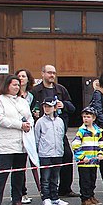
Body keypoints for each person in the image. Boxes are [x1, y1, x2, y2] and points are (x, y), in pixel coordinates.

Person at [29, 64, 77, 197]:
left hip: (59, 131)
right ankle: (46, 191)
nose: (52, 75)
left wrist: (64, 105)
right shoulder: (35, 91)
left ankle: (65, 189)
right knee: (45, 162)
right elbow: (29, 108)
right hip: (43, 132)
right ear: (42, 73)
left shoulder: (61, 90)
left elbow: (73, 108)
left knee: (67, 156)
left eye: (54, 73)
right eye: (49, 73)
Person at [0, 75, 32, 205]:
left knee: (19, 173)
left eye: (18, 85)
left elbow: (29, 116)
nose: (17, 87)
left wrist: (29, 125)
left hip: (21, 143)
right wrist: (19, 125)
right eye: (14, 84)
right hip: (6, 143)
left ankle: (17, 199)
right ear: (7, 85)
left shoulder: (22, 101)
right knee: (3, 172)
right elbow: (0, 119)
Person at [34, 98, 69, 205]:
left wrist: (61, 150)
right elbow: (37, 138)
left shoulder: (60, 121)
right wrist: (37, 152)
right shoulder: (40, 122)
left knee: (55, 177)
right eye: (45, 106)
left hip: (58, 153)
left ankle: (55, 197)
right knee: (45, 177)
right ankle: (46, 198)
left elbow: (61, 135)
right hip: (45, 154)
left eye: (49, 106)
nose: (47, 108)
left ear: (54, 108)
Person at [71, 105, 103, 205]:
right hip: (84, 162)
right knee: (85, 180)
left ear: (94, 118)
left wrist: (100, 153)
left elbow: (101, 143)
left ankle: (91, 195)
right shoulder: (81, 131)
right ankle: (85, 198)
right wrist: (81, 157)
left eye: (88, 117)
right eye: (84, 117)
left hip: (94, 162)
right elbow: (75, 145)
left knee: (92, 179)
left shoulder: (98, 131)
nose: (86, 119)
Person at [16, 68, 39, 204]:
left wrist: (36, 113)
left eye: (23, 76)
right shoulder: (14, 95)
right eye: (19, 76)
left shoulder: (32, 95)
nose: (21, 78)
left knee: (34, 160)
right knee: (20, 163)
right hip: (17, 128)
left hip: (30, 129)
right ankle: (21, 192)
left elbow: (35, 109)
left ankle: (42, 189)